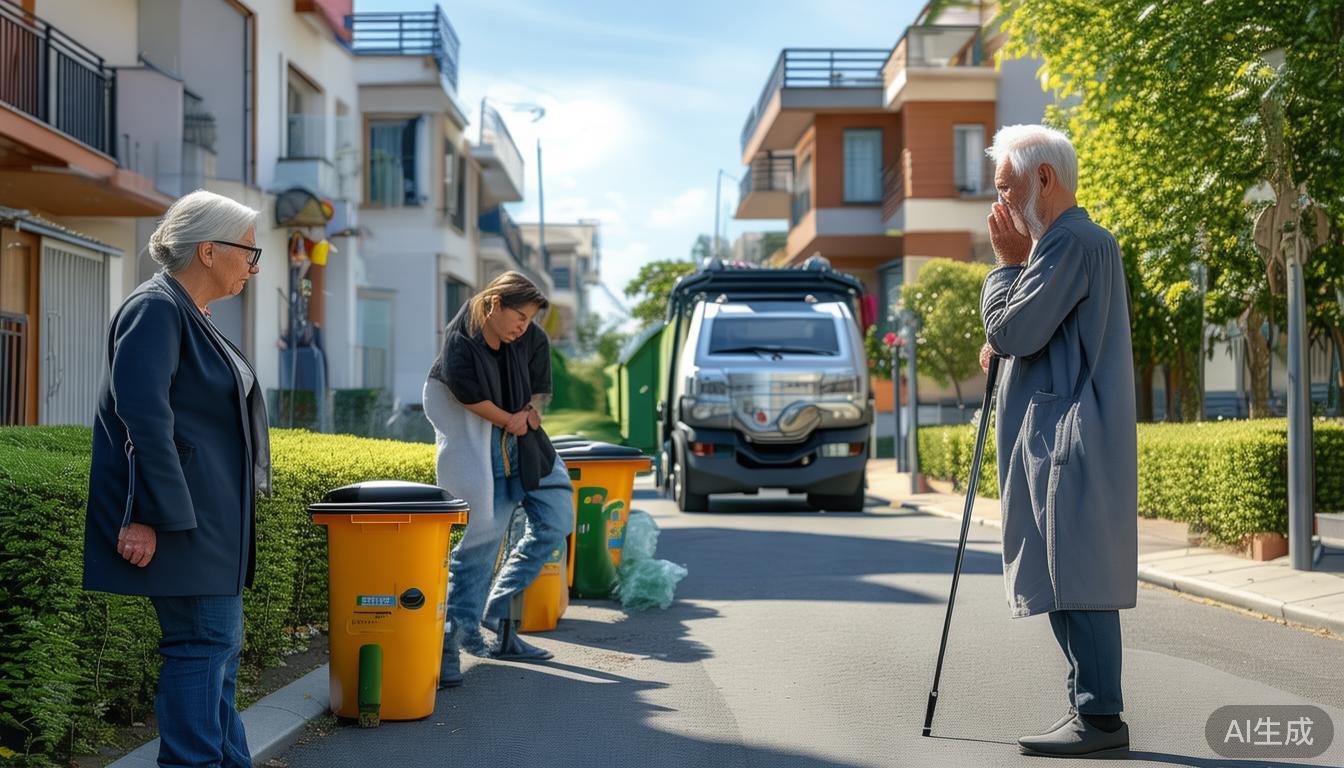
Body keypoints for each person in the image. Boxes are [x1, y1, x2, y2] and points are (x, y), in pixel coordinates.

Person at [84, 189, 271, 768]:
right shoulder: (157, 307)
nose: (254, 265)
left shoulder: (190, 312)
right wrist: (146, 514)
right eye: (249, 251)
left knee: (218, 651)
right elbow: (141, 418)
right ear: (209, 251)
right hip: (182, 520)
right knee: (202, 648)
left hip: (208, 521)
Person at [978, 124, 1137, 757]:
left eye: (1007, 188)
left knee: (1077, 576)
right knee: (1062, 574)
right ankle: (1089, 711)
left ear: (1044, 179)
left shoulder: (1068, 242)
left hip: (1066, 434)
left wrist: (1004, 270)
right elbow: (1028, 338)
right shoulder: (1064, 245)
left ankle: (1099, 718)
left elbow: (1017, 331)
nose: (1001, 208)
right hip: (1058, 430)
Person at [423, 271, 575, 687]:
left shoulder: (530, 339)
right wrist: (510, 419)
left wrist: (528, 412)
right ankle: (453, 643)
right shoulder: (461, 343)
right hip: (481, 444)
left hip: (525, 443)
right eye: (520, 316)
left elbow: (538, 390)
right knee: (480, 544)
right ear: (494, 304)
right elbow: (467, 398)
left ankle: (498, 606)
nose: (524, 326)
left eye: (529, 319)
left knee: (557, 519)